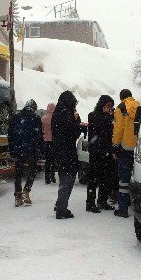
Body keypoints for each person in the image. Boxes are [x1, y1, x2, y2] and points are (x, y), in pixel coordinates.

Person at [52, 91, 83, 219]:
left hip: (59, 150)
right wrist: (77, 121)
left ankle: (60, 204)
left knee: (64, 178)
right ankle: (61, 209)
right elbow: (73, 133)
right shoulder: (67, 114)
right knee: (67, 179)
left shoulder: (58, 112)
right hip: (67, 151)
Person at [8, 99, 44, 207]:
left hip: (18, 149)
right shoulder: (36, 118)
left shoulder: (16, 117)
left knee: (18, 173)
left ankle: (17, 197)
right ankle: (26, 191)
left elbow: (10, 134)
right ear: (34, 109)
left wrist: (12, 149)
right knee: (33, 170)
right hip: (31, 149)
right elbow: (39, 136)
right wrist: (40, 150)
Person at [112, 88, 141, 218]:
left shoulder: (120, 108)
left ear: (121, 97)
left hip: (125, 147)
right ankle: (138, 206)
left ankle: (123, 208)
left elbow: (118, 129)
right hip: (138, 147)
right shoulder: (139, 106)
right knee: (138, 178)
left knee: (123, 178)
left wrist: (115, 146)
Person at [86, 95, 115, 212]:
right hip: (96, 152)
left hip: (106, 152)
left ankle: (102, 201)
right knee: (93, 179)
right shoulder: (94, 116)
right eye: (108, 106)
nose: (109, 108)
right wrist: (108, 117)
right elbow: (98, 127)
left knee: (106, 178)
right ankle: (90, 203)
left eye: (111, 107)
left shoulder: (106, 117)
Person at [41, 103, 57, 184]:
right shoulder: (56, 118)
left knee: (47, 160)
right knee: (53, 160)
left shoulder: (43, 118)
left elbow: (42, 129)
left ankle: (47, 178)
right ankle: (53, 176)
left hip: (46, 141)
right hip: (54, 141)